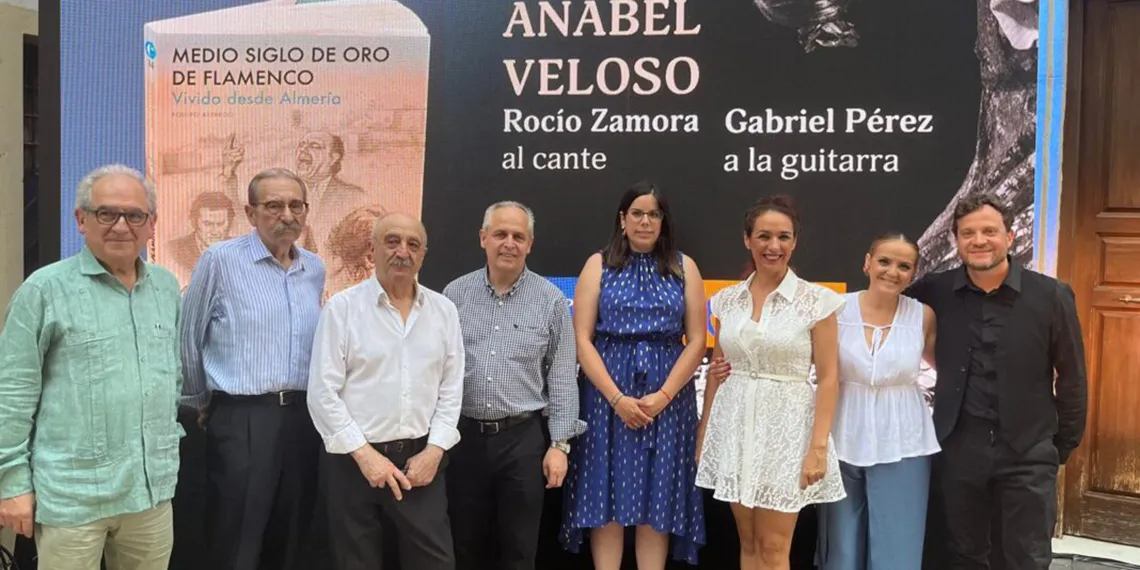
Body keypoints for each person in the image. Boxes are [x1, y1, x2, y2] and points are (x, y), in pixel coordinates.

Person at [0, 164, 183, 570]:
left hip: (150, 494)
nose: (121, 226)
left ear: (151, 224)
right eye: (106, 214)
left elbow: (173, 376)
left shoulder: (167, 288)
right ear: (81, 220)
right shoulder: (44, 290)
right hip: (72, 496)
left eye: (135, 215)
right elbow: (12, 392)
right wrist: (11, 483)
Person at [905, 193, 1087, 570]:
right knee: (964, 553)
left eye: (989, 231)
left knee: (1026, 556)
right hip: (959, 449)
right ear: (956, 240)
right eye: (967, 233)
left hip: (1028, 451)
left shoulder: (1051, 296)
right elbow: (884, 308)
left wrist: (1059, 447)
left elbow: (1072, 379)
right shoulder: (934, 292)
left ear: (1011, 235)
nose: (979, 240)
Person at [754, 233, 938, 570]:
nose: (892, 271)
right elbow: (794, 357)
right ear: (867, 262)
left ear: (913, 274)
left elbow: (950, 369)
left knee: (897, 548)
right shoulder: (834, 309)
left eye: (903, 266)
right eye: (884, 261)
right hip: (840, 437)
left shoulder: (922, 317)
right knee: (841, 548)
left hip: (904, 441)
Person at [180, 168, 326, 570]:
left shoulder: (313, 268)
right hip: (243, 418)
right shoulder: (219, 261)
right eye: (274, 205)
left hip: (303, 420)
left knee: (292, 533)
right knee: (238, 537)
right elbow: (188, 338)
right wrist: (199, 403)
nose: (287, 215)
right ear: (250, 212)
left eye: (296, 205)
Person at [560, 181, 708, 569]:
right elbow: (582, 338)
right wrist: (616, 399)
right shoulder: (598, 265)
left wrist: (663, 397)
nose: (645, 221)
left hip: (667, 397)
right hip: (606, 394)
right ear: (622, 219)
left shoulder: (684, 266)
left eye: (654, 214)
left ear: (663, 221)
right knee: (605, 497)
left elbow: (696, 341)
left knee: (655, 501)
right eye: (637, 213)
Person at [695, 195, 846, 570]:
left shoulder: (816, 302)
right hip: (735, 427)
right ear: (747, 239)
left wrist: (818, 448)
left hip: (787, 432)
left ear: (795, 242)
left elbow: (829, 378)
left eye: (783, 237)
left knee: (775, 547)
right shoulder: (726, 302)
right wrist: (705, 433)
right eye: (763, 236)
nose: (773, 246)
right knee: (747, 543)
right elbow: (719, 368)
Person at [307, 212, 463, 570]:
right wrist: (365, 456)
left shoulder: (444, 312)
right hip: (351, 464)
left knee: (436, 563)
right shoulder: (342, 310)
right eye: (392, 241)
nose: (402, 252)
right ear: (372, 249)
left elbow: (451, 390)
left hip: (420, 464)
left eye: (413, 244)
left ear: (424, 253)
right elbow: (322, 393)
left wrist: (435, 451)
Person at [442, 201, 584, 570]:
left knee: (520, 550)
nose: (509, 243)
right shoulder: (453, 295)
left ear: (530, 244)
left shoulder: (551, 300)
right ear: (483, 238)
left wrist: (559, 445)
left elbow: (563, 377)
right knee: (464, 544)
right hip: (464, 438)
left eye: (518, 236)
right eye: (501, 234)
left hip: (522, 440)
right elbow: (438, 369)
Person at [167, 191, 236, 276]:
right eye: (207, 224)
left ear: (229, 223)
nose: (214, 232)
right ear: (194, 222)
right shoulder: (174, 250)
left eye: (220, 224)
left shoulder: (238, 250)